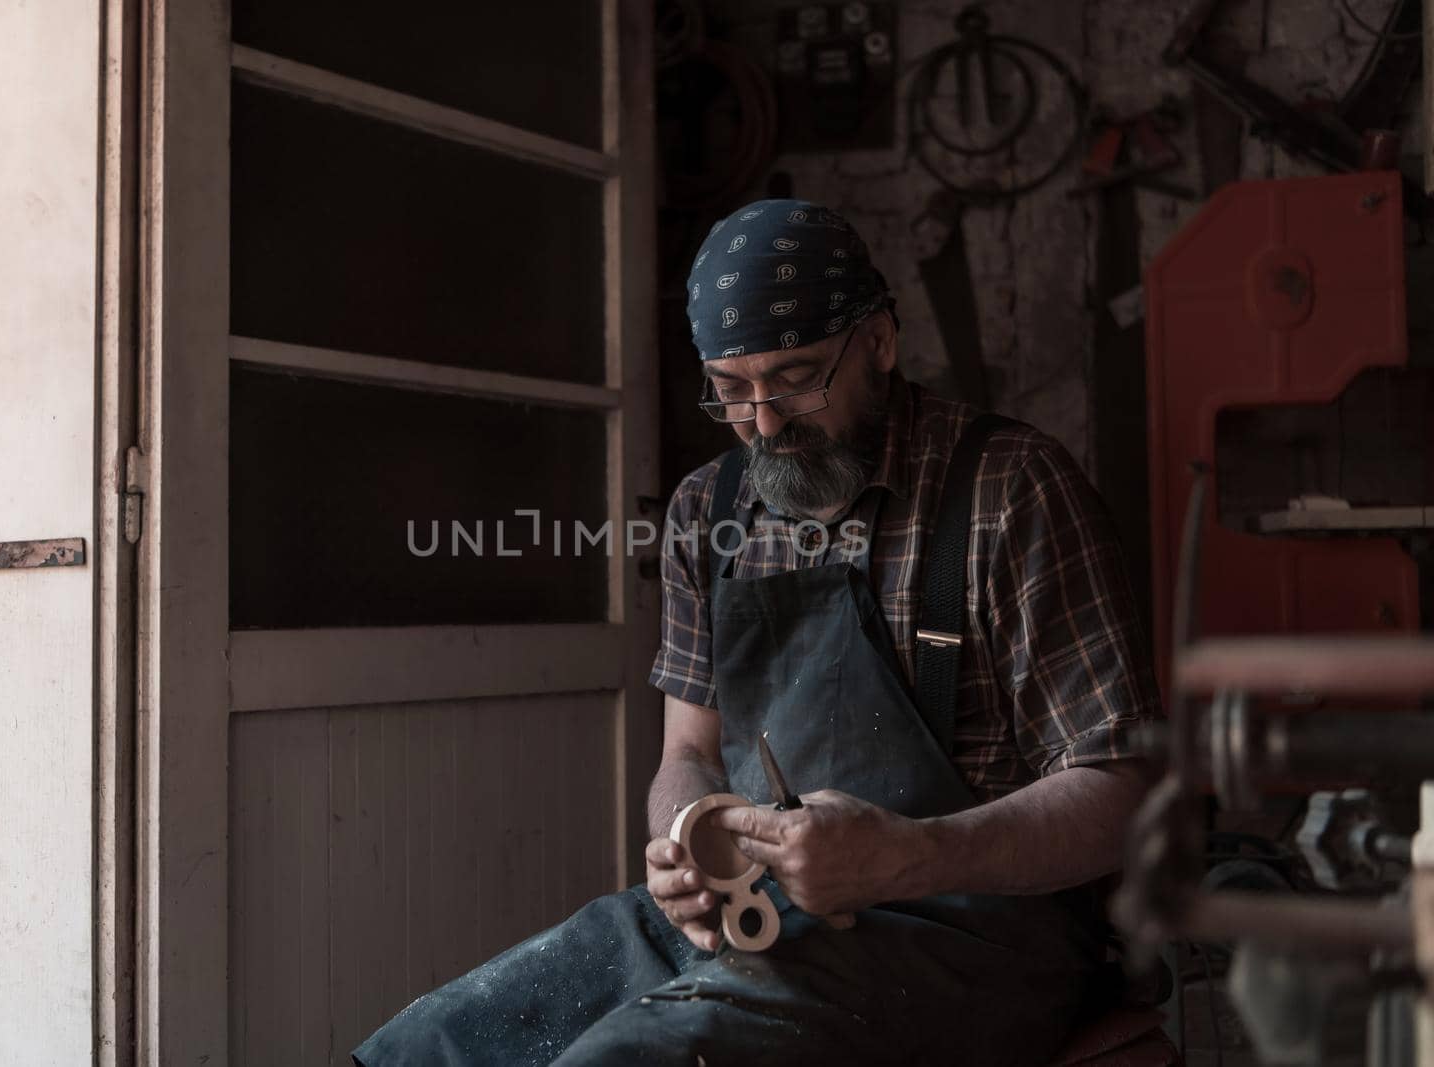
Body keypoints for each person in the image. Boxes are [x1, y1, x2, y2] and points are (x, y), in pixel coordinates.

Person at [353, 198, 1162, 1066]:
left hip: (979, 938)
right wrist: (685, 844)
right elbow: (686, 756)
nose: (765, 422)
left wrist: (914, 855)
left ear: (880, 343)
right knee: (427, 1046)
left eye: (796, 376)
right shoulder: (710, 508)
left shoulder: (1013, 491)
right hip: (760, 912)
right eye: (732, 389)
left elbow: (1123, 792)